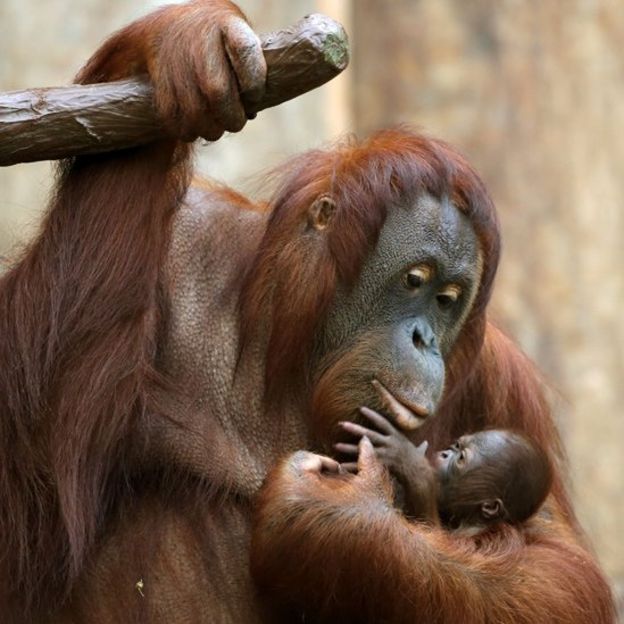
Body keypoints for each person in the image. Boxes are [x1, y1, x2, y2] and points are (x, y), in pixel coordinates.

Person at [336, 406, 553, 530]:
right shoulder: (453, 513)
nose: (443, 453)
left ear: (489, 508)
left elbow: (429, 578)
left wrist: (419, 479)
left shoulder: (481, 547)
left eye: (460, 458)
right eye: (455, 446)